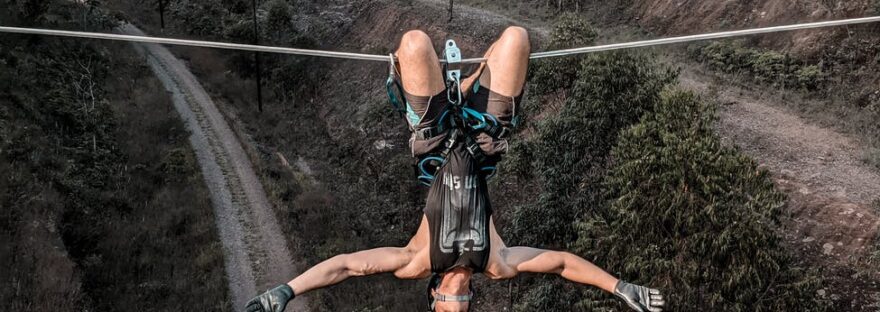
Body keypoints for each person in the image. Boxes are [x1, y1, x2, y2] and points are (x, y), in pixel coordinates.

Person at [245, 27, 665, 312]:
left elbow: (347, 265)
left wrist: (286, 291)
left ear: (434, 298)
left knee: (413, 43)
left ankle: (441, 89)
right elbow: (559, 263)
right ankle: (469, 85)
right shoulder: (496, 262)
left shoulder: (416, 261)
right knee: (518, 39)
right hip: (485, 140)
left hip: (434, 137)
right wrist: (620, 288)